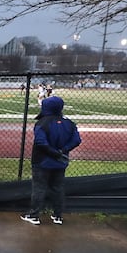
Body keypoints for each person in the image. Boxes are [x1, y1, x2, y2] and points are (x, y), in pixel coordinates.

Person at [21, 96, 82, 226]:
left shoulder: (42, 123)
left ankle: (34, 215)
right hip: (60, 161)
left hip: (42, 161)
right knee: (58, 188)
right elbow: (76, 140)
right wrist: (62, 151)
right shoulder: (69, 123)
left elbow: (40, 142)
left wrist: (54, 153)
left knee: (39, 188)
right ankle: (58, 216)